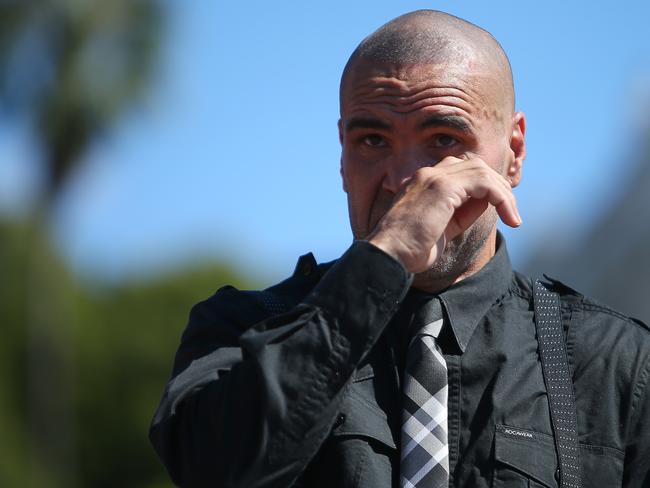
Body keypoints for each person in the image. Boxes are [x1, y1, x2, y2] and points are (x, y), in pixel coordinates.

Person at [150, 10, 650, 488]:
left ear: (513, 153)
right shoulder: (241, 330)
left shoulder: (614, 364)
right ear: (342, 159)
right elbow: (211, 470)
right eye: (372, 140)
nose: (408, 182)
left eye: (443, 139)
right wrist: (383, 260)